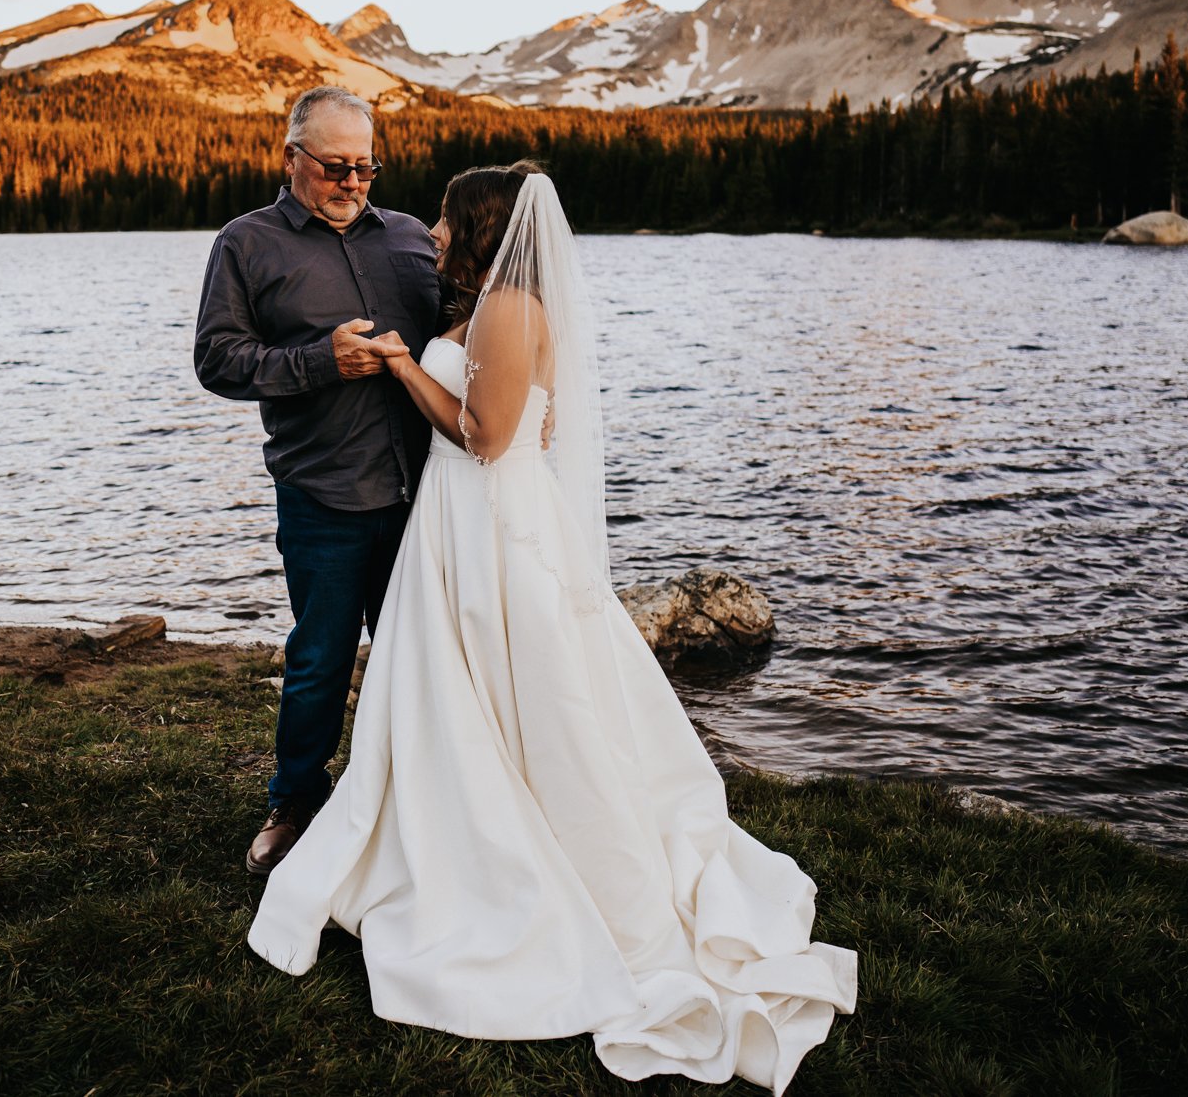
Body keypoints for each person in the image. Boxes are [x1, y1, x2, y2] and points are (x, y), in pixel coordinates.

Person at [245, 162, 860, 1091]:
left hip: (485, 515)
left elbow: (486, 437)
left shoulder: (504, 309)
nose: (436, 232)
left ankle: (512, 852)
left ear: (482, 226)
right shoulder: (499, 304)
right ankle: (446, 820)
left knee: (510, 686)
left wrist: (408, 363)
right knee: (473, 687)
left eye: (448, 219)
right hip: (467, 515)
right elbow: (540, 418)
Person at [192, 85, 442, 875]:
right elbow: (217, 360)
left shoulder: (408, 237)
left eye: (367, 166)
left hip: (427, 498)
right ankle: (295, 802)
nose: (354, 182)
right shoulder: (247, 243)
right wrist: (316, 362)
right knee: (320, 661)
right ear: (292, 157)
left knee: (425, 658)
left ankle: (422, 804)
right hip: (323, 495)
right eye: (337, 166)